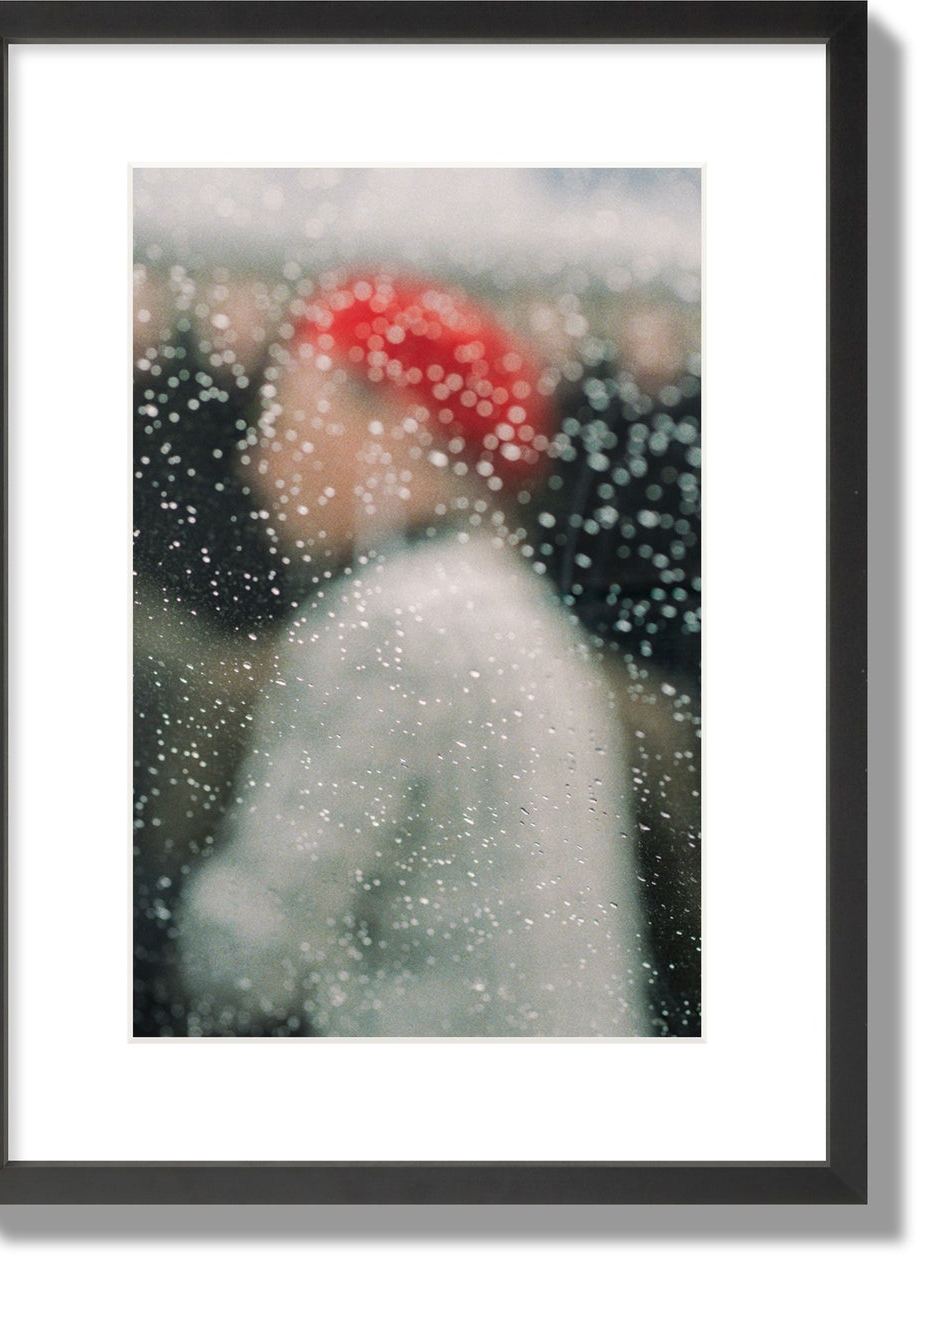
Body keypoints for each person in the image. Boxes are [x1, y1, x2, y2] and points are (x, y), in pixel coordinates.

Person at [176, 274, 656, 1035]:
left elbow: (248, 961)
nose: (257, 461)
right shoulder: (511, 609)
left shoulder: (392, 625)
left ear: (394, 427)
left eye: (284, 422)